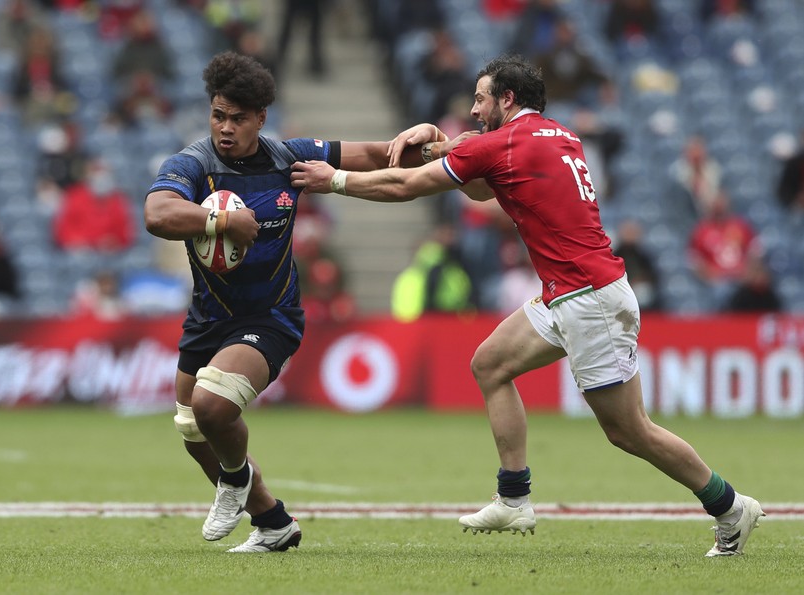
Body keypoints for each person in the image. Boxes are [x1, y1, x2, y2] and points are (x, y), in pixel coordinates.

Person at [292, 53, 765, 557]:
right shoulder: (556, 135)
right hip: (572, 291)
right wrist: (436, 142)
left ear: (507, 99)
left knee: (630, 431)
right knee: (490, 364)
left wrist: (334, 181)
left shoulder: (508, 142)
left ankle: (730, 506)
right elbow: (477, 185)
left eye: (480, 99)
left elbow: (406, 185)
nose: (474, 110)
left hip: (589, 300)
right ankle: (514, 497)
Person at [143, 51, 430, 553]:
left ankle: (233, 480)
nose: (225, 127)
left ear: (260, 118)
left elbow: (375, 154)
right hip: (209, 317)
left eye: (237, 118)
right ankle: (273, 522)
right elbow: (157, 213)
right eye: (217, 115)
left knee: (212, 407)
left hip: (270, 316)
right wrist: (220, 221)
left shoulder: (287, 158)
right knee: (191, 425)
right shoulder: (192, 164)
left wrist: (430, 144)